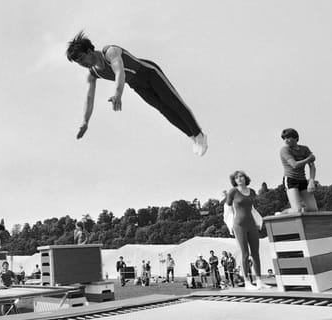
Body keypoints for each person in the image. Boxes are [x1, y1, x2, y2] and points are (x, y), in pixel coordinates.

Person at [66, 31, 207, 156]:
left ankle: (199, 134)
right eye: (78, 62)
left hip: (149, 73)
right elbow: (89, 98)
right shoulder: (92, 74)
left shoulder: (110, 52)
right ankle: (192, 137)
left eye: (82, 59)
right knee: (163, 109)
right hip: (137, 85)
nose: (82, 64)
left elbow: (119, 71)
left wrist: (118, 94)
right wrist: (85, 121)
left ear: (90, 51)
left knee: (173, 102)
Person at [224, 170, 270, 290]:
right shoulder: (233, 192)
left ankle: (259, 280)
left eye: (241, 176)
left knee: (256, 253)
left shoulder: (252, 192)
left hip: (251, 224)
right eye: (237, 177)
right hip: (239, 225)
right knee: (245, 254)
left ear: (245, 178)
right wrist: (230, 225)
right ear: (234, 180)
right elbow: (227, 208)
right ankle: (247, 282)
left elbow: (252, 208)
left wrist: (258, 221)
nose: (239, 179)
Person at [279, 128, 318, 212]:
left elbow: (312, 166)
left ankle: (297, 211)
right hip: (290, 179)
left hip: (302, 179)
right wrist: (308, 159)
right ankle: (283, 212)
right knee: (297, 210)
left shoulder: (304, 149)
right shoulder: (285, 150)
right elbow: (294, 165)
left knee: (313, 209)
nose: (286, 140)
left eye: (288, 138)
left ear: (295, 138)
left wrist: (311, 181)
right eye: (284, 138)